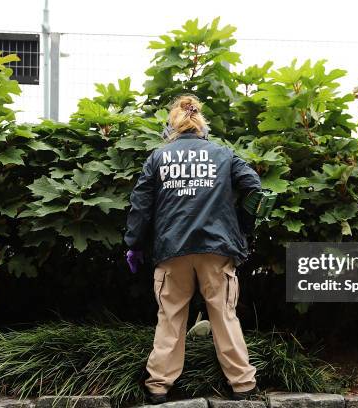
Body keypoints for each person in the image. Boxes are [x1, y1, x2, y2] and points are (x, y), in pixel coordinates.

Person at [123, 94, 261, 404]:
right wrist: (241, 227)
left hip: (172, 250)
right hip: (217, 248)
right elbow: (254, 187)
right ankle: (243, 385)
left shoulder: (158, 157)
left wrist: (133, 244)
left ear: (172, 125)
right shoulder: (224, 155)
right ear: (201, 126)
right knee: (225, 316)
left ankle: (158, 387)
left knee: (170, 317)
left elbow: (140, 205)